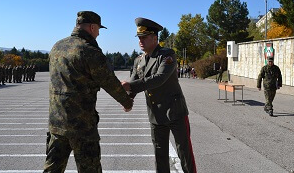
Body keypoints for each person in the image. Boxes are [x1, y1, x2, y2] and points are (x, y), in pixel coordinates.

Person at [43, 11, 133, 173]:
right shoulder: (89, 51)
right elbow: (109, 82)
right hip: (82, 126)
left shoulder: (57, 46)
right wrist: (127, 102)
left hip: (56, 124)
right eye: (98, 29)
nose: (98, 33)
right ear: (92, 27)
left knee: (52, 170)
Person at [121, 17, 197, 173]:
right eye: (139, 38)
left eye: (144, 37)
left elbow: (159, 79)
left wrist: (131, 85)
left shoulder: (167, 55)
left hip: (175, 112)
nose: (140, 41)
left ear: (154, 38)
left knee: (185, 154)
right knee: (159, 155)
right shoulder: (139, 60)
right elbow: (133, 85)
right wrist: (127, 100)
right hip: (156, 115)